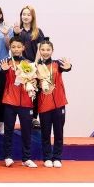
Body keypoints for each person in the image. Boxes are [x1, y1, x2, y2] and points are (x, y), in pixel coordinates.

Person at [0, 36, 37, 168]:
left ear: (23, 48)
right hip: (10, 101)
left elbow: (35, 81)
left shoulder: (29, 63)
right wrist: (2, 72)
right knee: (8, 130)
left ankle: (26, 158)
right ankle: (8, 157)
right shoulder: (6, 63)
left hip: (26, 102)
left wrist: (34, 81)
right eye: (13, 47)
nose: (16, 49)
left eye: (18, 47)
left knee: (27, 131)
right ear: (10, 48)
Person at [35, 39, 72, 168]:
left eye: (48, 50)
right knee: (45, 133)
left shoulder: (57, 64)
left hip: (59, 103)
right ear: (39, 51)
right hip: (44, 104)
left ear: (52, 51)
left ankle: (57, 157)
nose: (45, 52)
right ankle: (47, 157)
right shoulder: (35, 67)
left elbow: (67, 68)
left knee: (58, 132)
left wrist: (69, 67)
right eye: (43, 50)